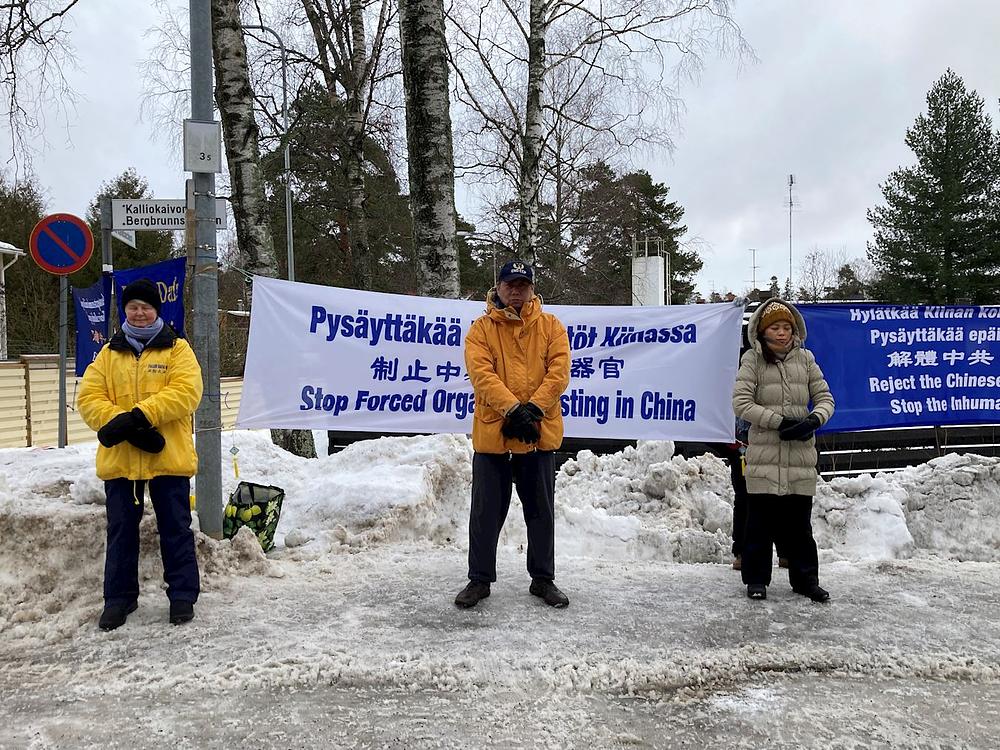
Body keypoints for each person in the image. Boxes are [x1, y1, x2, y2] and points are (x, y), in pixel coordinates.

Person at [78, 278, 204, 630]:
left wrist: (139, 417)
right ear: (125, 311)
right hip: (122, 460)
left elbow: (187, 392)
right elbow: (88, 398)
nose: (140, 312)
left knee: (175, 529)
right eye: (133, 306)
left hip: (168, 459)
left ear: (156, 310)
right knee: (121, 531)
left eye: (146, 307)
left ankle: (182, 595)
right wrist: (123, 426)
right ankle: (119, 599)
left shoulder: (177, 348)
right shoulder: (108, 352)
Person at [455, 260, 571, 609]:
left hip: (538, 436)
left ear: (533, 288)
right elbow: (482, 374)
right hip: (494, 437)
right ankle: (479, 580)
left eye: (523, 285)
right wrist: (512, 409)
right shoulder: (481, 329)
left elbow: (559, 371)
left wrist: (533, 410)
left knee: (541, 513)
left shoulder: (552, 327)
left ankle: (543, 579)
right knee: (485, 514)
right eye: (510, 285)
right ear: (499, 287)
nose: (516, 291)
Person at [732, 298, 834, 602]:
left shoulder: (806, 359)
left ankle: (805, 580)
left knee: (799, 526)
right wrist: (777, 422)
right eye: (775, 327)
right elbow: (741, 403)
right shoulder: (752, 360)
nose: (781, 332)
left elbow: (826, 398)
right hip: (764, 454)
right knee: (759, 524)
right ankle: (756, 579)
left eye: (786, 327)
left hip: (800, 456)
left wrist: (813, 420)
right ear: (763, 332)